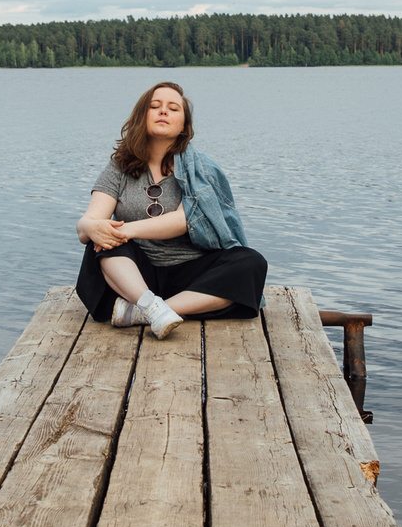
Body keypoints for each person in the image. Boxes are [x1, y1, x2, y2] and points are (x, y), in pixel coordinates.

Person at [74, 81, 268, 337]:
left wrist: (123, 230)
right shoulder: (119, 167)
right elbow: (88, 224)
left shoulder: (200, 169)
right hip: (133, 276)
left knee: (251, 262)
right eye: (155, 106)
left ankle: (146, 312)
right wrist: (91, 227)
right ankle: (150, 306)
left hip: (191, 275)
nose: (163, 111)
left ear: (184, 126)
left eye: (173, 108)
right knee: (101, 243)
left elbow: (182, 220)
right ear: (142, 116)